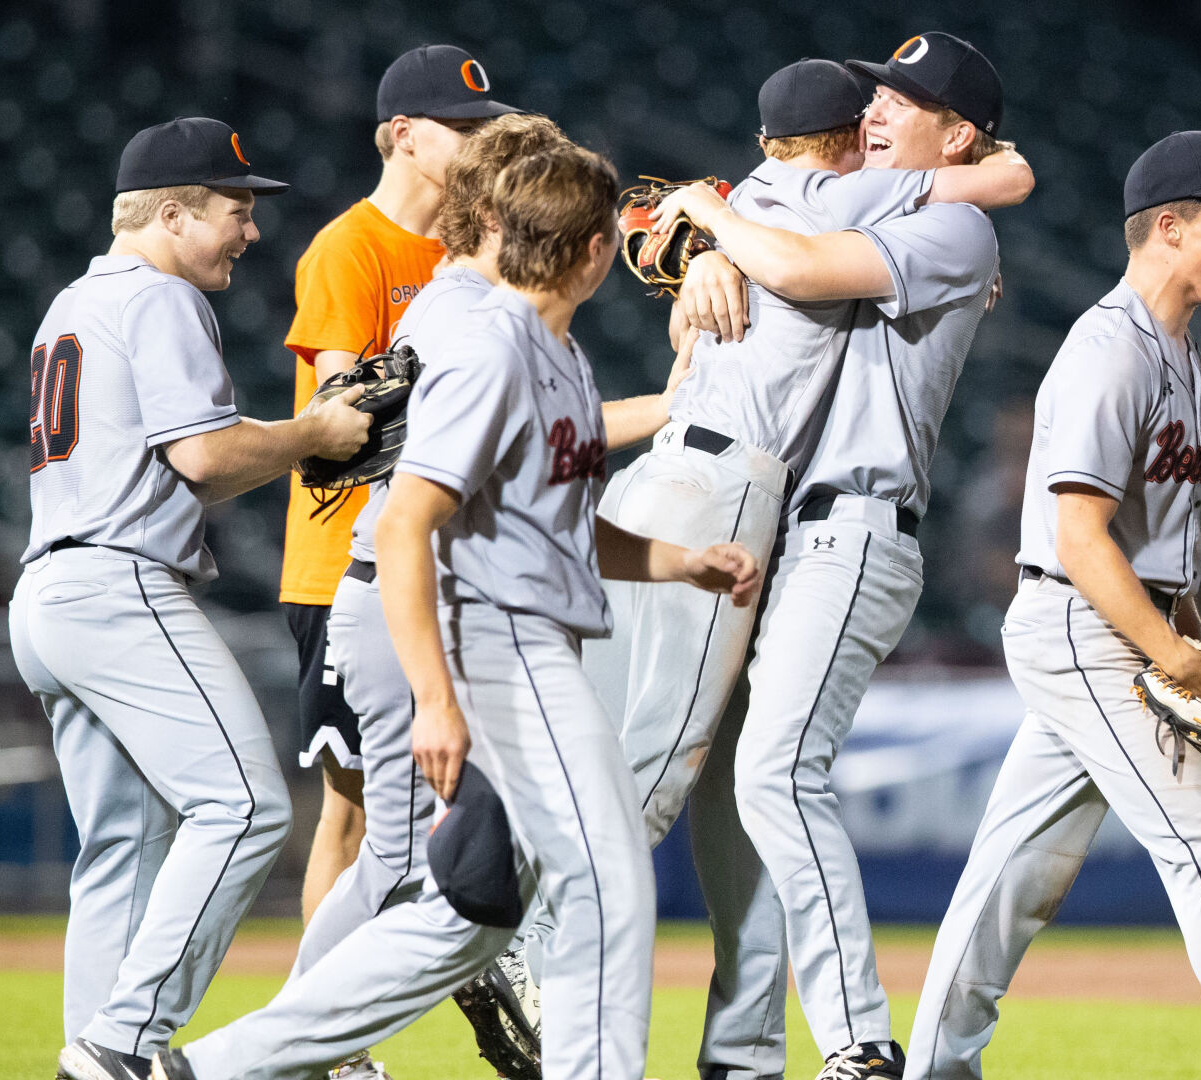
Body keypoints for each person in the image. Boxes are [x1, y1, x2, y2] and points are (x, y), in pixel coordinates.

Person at [153, 144, 759, 1080]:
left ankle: (207, 1069)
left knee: (460, 918)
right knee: (606, 884)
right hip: (494, 645)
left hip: (529, 637)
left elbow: (550, 524)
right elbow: (405, 527)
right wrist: (436, 700)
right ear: (595, 252)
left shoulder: (550, 350)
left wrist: (679, 561)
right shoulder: (487, 344)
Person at [903, 131, 1201, 1080]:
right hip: (1082, 630)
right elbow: (1081, 537)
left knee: (1012, 876)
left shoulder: (1188, 362)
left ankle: (927, 1068)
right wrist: (1172, 661)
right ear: (1167, 227)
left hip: (1125, 628)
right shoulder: (1108, 350)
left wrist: (1192, 640)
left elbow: (1155, 553)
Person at [643, 32, 1009, 1080]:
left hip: (854, 529)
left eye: (911, 100)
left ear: (961, 136)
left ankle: (856, 1042)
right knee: (729, 803)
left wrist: (714, 217)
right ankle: (742, 1054)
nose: (880, 109)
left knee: (774, 772)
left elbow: (799, 265)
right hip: (769, 528)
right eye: (879, 94)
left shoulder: (956, 225)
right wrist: (707, 259)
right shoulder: (866, 199)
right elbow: (771, 267)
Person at [302, 113, 696, 1080]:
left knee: (447, 866)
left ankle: (305, 1052)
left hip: (434, 594)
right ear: (495, 212)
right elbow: (431, 503)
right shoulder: (466, 317)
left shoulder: (490, 313)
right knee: (395, 864)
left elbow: (542, 447)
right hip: (409, 596)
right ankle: (300, 1053)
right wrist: (673, 405)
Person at [8, 117, 370, 1080]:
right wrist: (315, 432)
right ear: (171, 212)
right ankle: (124, 1041)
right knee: (247, 806)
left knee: (124, 842)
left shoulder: (71, 302)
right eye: (234, 209)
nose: (250, 231)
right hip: (118, 584)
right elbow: (204, 458)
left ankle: (95, 1052)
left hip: (48, 590)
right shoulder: (160, 296)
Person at [278, 43, 521, 925]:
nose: (477, 142)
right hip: (343, 561)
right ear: (403, 135)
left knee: (407, 809)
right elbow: (349, 411)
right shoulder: (352, 247)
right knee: (356, 814)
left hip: (432, 563)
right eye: (461, 129)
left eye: (484, 126)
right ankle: (337, 1052)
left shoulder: (471, 258)